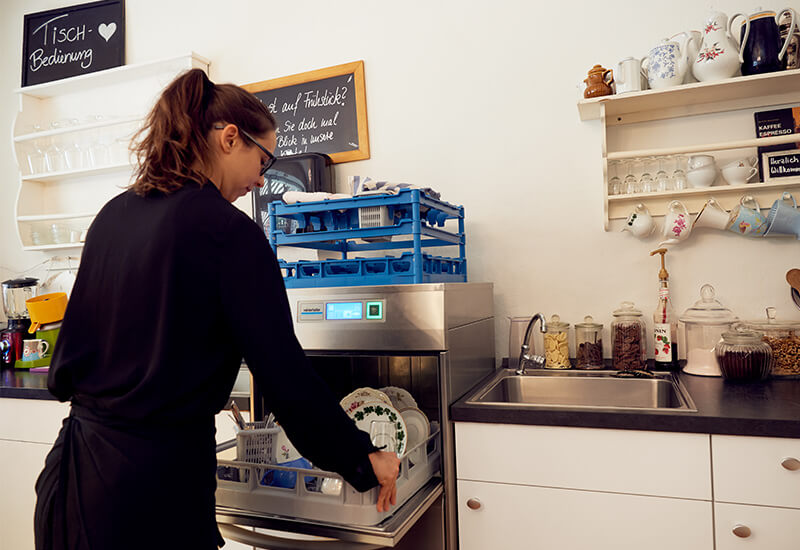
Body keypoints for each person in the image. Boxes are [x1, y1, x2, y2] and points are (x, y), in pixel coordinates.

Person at [34, 69, 400, 550]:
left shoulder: (112, 215)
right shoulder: (230, 233)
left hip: (70, 480)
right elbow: (286, 380)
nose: (259, 180)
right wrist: (362, 456)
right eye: (263, 160)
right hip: (151, 496)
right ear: (231, 138)